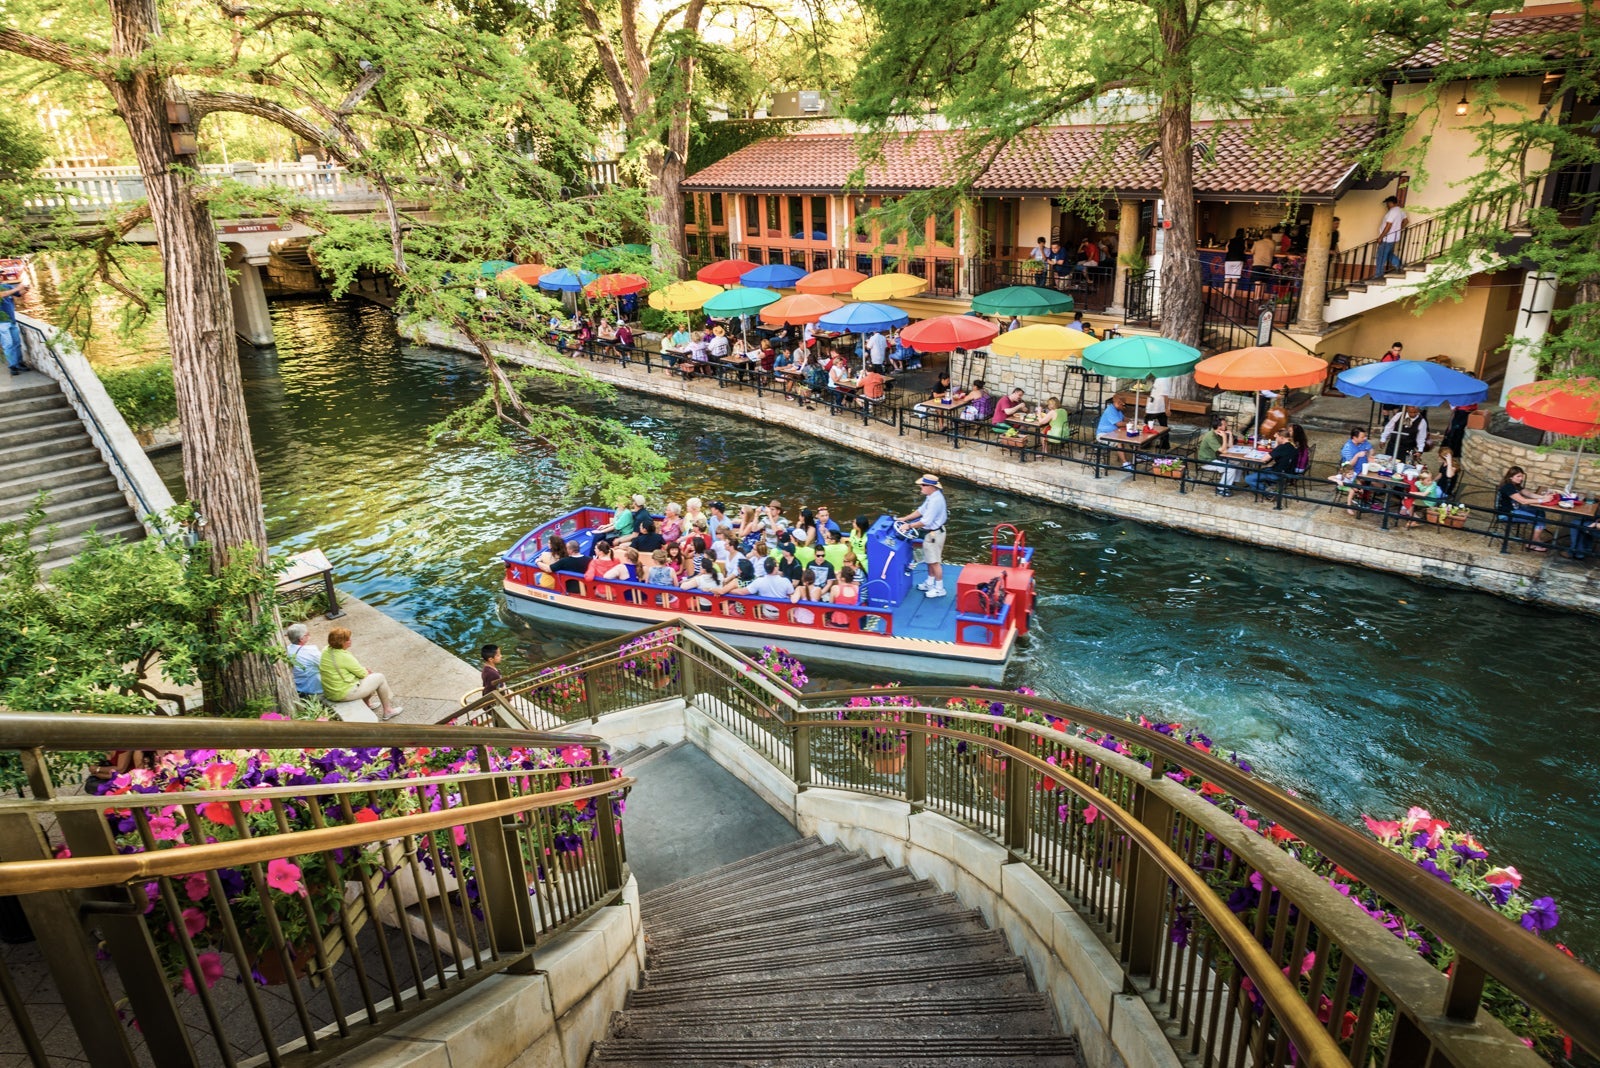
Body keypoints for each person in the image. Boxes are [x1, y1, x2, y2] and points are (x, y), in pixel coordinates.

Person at [320, 627, 403, 720]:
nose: (350, 641)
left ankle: (367, 704)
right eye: (348, 639)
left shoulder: (326, 650)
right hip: (342, 694)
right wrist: (366, 671)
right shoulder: (344, 657)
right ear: (341, 643)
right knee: (379, 678)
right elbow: (362, 674)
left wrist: (364, 671)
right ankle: (388, 711)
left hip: (331, 692)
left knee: (370, 679)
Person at [896, 473, 949, 598]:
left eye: (923, 485)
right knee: (930, 560)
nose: (921, 487)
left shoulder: (936, 500)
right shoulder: (931, 497)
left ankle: (939, 588)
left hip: (934, 534)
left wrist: (908, 526)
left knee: (935, 561)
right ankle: (930, 583)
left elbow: (926, 521)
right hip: (931, 533)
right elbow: (921, 511)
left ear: (931, 487)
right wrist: (905, 518)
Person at [1496, 466, 1549, 551]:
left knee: (1540, 512)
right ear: (1510, 477)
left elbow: (1529, 494)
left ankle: (1535, 539)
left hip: (1515, 509)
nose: (1521, 479)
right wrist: (1541, 500)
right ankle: (1533, 544)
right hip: (1507, 513)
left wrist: (1544, 497)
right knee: (1540, 519)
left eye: (1521, 476)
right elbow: (1523, 501)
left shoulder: (1515, 485)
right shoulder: (1508, 487)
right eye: (1518, 476)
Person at [1244, 429, 1298, 494]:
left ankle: (1268, 492)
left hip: (1278, 474)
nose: (1276, 439)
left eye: (1277, 438)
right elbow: (1275, 451)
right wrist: (1277, 439)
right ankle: (1258, 488)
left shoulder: (1282, 447)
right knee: (1259, 470)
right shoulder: (1291, 446)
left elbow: (1264, 459)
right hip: (1286, 472)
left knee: (1248, 478)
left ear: (1282, 438)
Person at [1197, 417, 1239, 496]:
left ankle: (1231, 482)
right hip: (1207, 461)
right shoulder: (1211, 436)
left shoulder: (1219, 433)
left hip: (1217, 458)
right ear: (1219, 426)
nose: (1226, 425)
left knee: (1237, 462)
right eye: (1224, 424)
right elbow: (1224, 451)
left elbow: (1230, 446)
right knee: (1230, 468)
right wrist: (1224, 437)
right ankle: (1221, 488)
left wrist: (1229, 435)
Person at [284, 624, 323, 700]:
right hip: (314, 687)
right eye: (307, 634)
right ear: (301, 639)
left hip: (298, 686)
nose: (309, 635)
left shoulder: (287, 649)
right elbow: (325, 665)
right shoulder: (311, 652)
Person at [1095, 395, 1133, 470]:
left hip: (1113, 433)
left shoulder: (1117, 410)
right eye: (1123, 405)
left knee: (1131, 436)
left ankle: (1137, 455)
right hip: (1103, 434)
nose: (1124, 407)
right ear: (1119, 403)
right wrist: (1131, 424)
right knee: (1118, 441)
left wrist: (1132, 420)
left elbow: (1124, 418)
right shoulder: (1110, 410)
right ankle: (1125, 463)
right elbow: (1119, 423)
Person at [1, 270, 26, 376]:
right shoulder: (5, 290)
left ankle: (19, 363)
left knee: (16, 343)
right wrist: (17, 288)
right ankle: (12, 366)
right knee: (8, 344)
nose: (1, 276)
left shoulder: (7, 286)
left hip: (11, 320)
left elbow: (19, 293)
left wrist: (25, 289)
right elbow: (2, 295)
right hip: (1, 322)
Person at [1376, 196, 1407, 277]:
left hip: (1387, 238)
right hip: (1394, 237)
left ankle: (1378, 275)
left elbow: (1388, 225)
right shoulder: (1401, 210)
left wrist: (1381, 237)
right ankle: (1399, 266)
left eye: (1387, 203)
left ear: (1391, 203)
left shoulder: (1392, 211)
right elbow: (1406, 221)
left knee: (1381, 256)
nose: (1387, 205)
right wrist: (1398, 229)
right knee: (1389, 254)